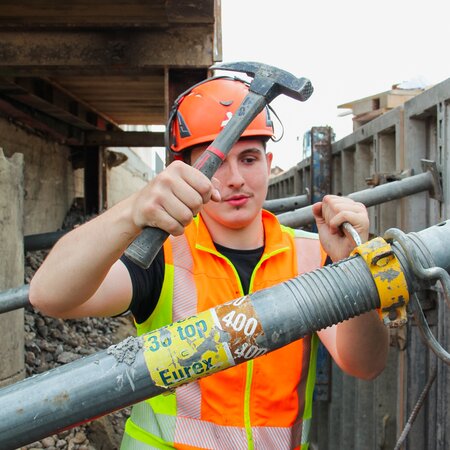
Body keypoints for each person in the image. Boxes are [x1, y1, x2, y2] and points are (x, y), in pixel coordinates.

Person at [30, 76, 389, 449]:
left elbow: (364, 363)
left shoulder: (313, 255)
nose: (235, 179)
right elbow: (49, 295)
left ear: (268, 163)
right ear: (183, 172)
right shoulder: (161, 254)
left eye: (248, 159)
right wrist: (133, 211)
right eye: (214, 163)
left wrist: (355, 269)